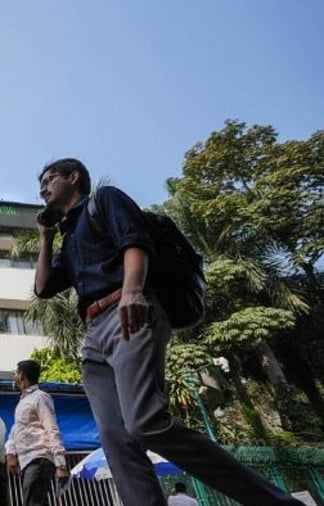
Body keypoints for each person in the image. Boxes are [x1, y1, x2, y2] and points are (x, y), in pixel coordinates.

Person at [32, 158, 302, 506]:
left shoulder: (105, 200)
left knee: (145, 423)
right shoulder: (68, 238)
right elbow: (42, 287)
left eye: (49, 178)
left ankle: (275, 501)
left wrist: (132, 290)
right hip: (93, 335)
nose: (42, 187)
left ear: (74, 176)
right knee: (116, 439)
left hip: (126, 311)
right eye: (40, 183)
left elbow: (135, 240)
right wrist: (46, 236)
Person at [5, 360, 69, 506]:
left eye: (15, 373)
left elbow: (51, 428)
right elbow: (16, 430)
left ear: (21, 376)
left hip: (39, 458)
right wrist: (10, 453)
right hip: (27, 461)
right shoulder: (23, 401)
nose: (13, 377)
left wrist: (61, 465)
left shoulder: (40, 397)